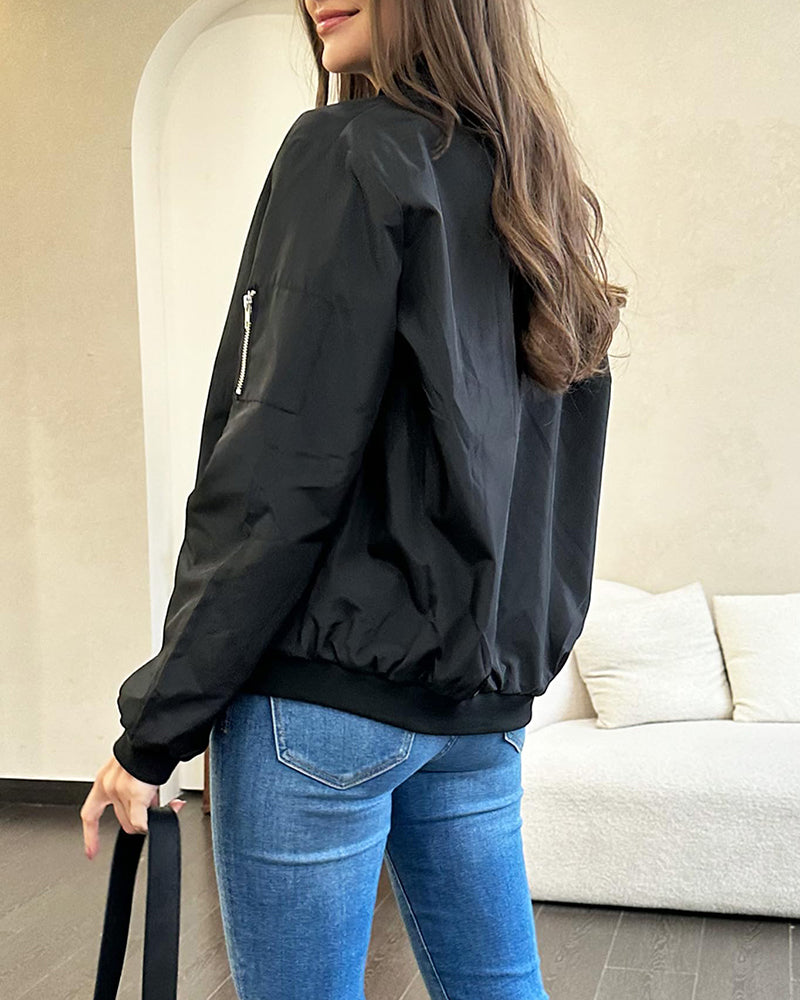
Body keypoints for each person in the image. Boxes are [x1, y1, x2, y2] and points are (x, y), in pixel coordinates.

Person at [81, 0, 626, 997]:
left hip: (321, 705)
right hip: (477, 707)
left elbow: (277, 465)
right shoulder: (536, 190)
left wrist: (154, 728)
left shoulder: (346, 150)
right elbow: (552, 479)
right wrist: (512, 669)